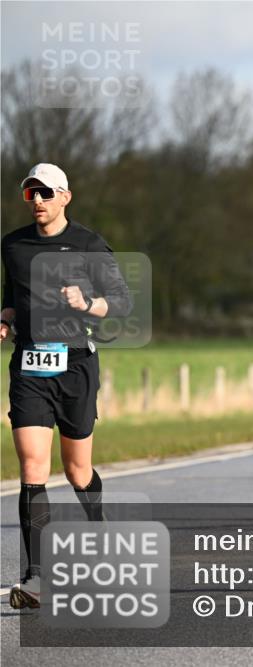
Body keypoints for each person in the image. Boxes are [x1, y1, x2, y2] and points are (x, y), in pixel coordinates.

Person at [3, 163, 133, 609]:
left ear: (65, 197)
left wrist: (88, 302)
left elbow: (122, 301)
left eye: (45, 192)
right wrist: (5, 317)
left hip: (76, 364)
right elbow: (12, 293)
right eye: (30, 193)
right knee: (33, 469)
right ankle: (35, 578)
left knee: (77, 471)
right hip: (30, 368)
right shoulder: (13, 245)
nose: (37, 200)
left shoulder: (89, 244)